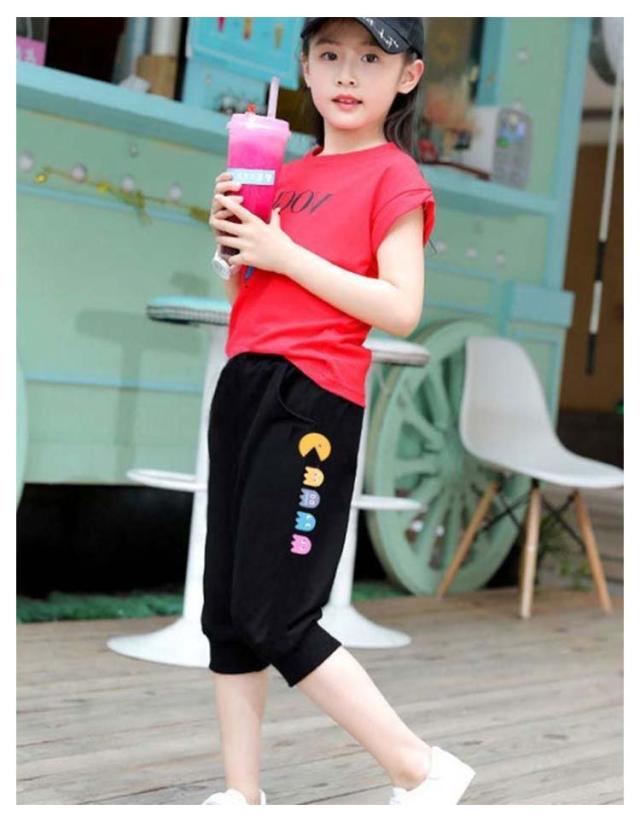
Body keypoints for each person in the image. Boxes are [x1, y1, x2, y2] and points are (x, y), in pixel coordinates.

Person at [200, 17, 475, 806]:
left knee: (277, 613)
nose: (347, 74)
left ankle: (420, 770)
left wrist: (286, 254)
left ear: (408, 76)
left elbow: (401, 308)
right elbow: (255, 292)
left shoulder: (395, 178)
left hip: (312, 401)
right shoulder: (282, 172)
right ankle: (243, 796)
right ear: (306, 68)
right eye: (330, 55)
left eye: (370, 58)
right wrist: (234, 247)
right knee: (228, 612)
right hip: (246, 382)